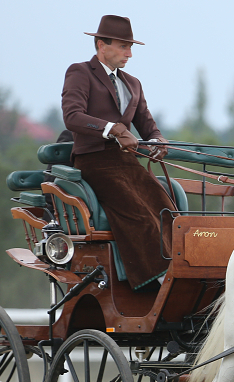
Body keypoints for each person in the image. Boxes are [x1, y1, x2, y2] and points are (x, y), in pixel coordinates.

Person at [61, 15, 174, 289]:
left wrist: (157, 140)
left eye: (130, 47)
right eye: (124, 46)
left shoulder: (133, 84)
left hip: (127, 163)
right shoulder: (80, 72)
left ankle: (179, 271)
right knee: (137, 212)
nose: (130, 54)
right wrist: (113, 128)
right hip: (95, 161)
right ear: (101, 45)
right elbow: (72, 116)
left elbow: (147, 124)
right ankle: (155, 279)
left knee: (166, 209)